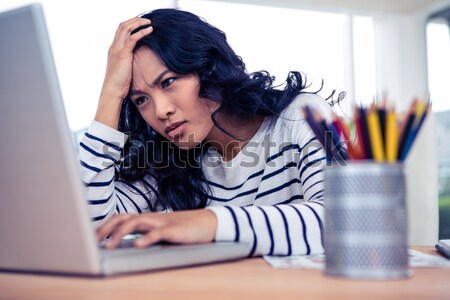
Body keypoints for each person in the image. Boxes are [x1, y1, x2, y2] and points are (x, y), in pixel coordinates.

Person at [79, 8, 333, 257]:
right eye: (141, 100)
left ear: (208, 68)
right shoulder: (168, 157)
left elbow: (343, 222)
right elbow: (97, 232)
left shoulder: (300, 115)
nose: (161, 111)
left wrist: (208, 224)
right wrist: (112, 93)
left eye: (168, 82)